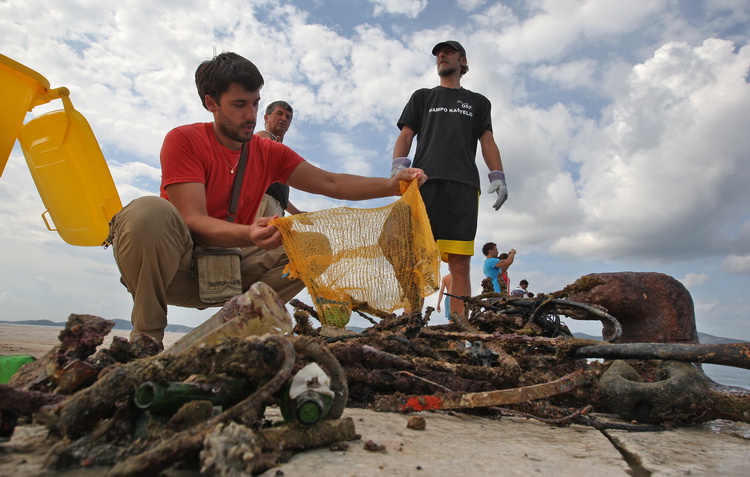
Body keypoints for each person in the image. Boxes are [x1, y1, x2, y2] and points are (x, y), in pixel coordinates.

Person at [109, 52, 427, 343]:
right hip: (171, 270)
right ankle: (146, 340)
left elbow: (332, 182)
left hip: (229, 272)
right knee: (148, 212)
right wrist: (248, 233)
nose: (250, 114)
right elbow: (192, 220)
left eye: (255, 103)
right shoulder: (184, 140)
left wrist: (392, 185)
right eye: (239, 104)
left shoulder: (269, 153)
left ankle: (225, 334)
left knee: (312, 245)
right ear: (211, 103)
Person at [392, 40, 508, 317]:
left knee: (459, 265)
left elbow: (487, 139)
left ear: (463, 61)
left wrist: (498, 175)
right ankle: (411, 327)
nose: (441, 56)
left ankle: (459, 332)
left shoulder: (479, 102)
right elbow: (406, 135)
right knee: (414, 259)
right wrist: (398, 167)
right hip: (423, 183)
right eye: (438, 54)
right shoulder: (422, 97)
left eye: (448, 52)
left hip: (464, 185)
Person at [254, 100, 304, 217]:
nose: (284, 118)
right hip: (263, 202)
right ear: (266, 118)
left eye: (288, 117)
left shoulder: (280, 149)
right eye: (279, 113)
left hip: (275, 207)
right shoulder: (262, 137)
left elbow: (277, 194)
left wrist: (296, 213)